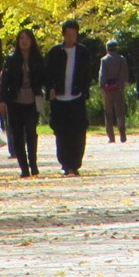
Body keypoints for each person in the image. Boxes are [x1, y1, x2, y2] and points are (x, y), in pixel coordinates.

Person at [45, 18, 96, 174]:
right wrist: (50, 89)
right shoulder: (54, 52)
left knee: (78, 131)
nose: (71, 38)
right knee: (61, 132)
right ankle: (65, 164)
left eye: (74, 35)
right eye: (68, 35)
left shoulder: (83, 52)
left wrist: (85, 91)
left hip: (76, 97)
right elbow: (46, 74)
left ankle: (75, 163)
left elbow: (88, 73)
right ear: (63, 35)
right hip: (59, 99)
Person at [0, 28, 46, 177]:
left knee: (31, 133)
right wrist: (2, 101)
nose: (24, 41)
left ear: (31, 41)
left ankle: (34, 165)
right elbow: (4, 81)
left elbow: (45, 77)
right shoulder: (11, 59)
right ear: (18, 42)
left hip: (33, 100)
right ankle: (24, 168)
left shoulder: (37, 58)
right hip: (15, 101)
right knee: (17, 135)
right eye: (21, 39)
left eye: (27, 38)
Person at [99, 39, 132, 143]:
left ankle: (111, 137)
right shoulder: (122, 59)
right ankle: (122, 134)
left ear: (107, 48)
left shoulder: (104, 60)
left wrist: (102, 86)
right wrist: (123, 84)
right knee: (120, 112)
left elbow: (102, 74)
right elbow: (125, 73)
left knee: (108, 113)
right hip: (119, 88)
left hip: (108, 89)